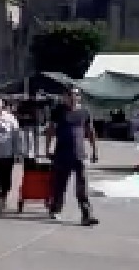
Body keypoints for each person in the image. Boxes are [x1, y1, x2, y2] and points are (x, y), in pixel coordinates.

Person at [45, 88, 99, 226]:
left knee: (82, 186)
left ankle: (86, 215)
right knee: (60, 184)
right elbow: (51, 129)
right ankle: (55, 208)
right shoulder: (58, 111)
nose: (72, 98)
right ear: (65, 97)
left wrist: (94, 150)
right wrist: (47, 147)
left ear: (78, 97)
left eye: (75, 95)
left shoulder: (84, 112)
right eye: (69, 95)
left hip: (79, 154)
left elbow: (90, 131)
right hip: (62, 153)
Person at [15, 90, 40, 157]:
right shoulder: (25, 104)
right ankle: (29, 152)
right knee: (27, 138)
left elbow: (36, 114)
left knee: (30, 138)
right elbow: (18, 114)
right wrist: (24, 116)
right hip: (26, 124)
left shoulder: (35, 104)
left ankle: (32, 152)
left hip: (31, 123)